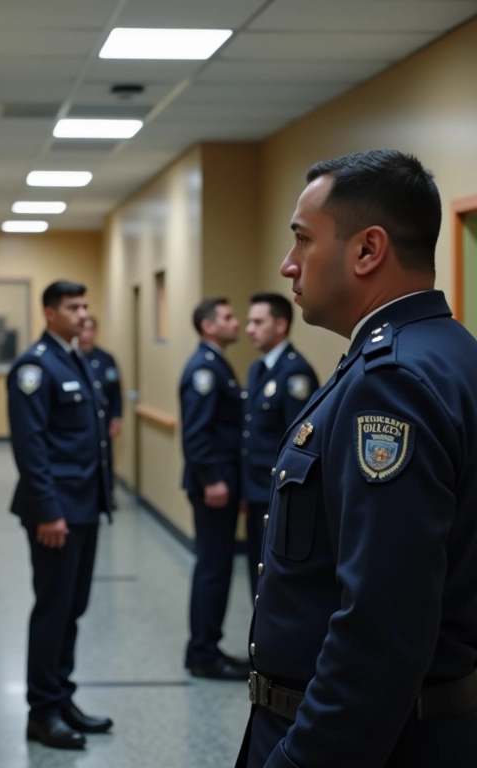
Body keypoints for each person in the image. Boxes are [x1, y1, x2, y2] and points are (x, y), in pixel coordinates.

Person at [238, 150, 477, 768]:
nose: (287, 265)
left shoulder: (389, 382)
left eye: (301, 240)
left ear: (367, 251)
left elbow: (381, 630)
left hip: (358, 743)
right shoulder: (449, 354)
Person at [7, 280, 113, 750]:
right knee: (53, 608)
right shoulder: (35, 367)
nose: (83, 314)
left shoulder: (75, 358)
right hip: (55, 512)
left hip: (84, 507)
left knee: (74, 607)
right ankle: (42, 711)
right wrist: (48, 511)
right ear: (50, 313)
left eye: (85, 305)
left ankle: (61, 694)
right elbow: (31, 448)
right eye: (73, 307)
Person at [179, 297, 249, 681]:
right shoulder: (204, 369)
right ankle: (204, 652)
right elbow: (196, 432)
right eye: (227, 317)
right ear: (208, 326)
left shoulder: (216, 363)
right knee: (213, 568)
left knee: (217, 567)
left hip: (220, 481)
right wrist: (213, 479)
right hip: (213, 484)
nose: (235, 323)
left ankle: (207, 646)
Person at [241, 293, 318, 599]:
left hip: (277, 495)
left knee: (272, 584)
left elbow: (299, 443)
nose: (249, 329)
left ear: (281, 325)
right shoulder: (258, 369)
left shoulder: (295, 372)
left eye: (258, 322)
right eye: (248, 321)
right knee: (255, 576)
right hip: (255, 489)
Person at [78, 316, 123, 508]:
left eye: (90, 330)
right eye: (83, 330)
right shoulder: (72, 358)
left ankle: (107, 495)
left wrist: (117, 417)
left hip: (103, 418)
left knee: (105, 457)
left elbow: (116, 392)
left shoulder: (106, 359)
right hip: (80, 421)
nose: (87, 334)